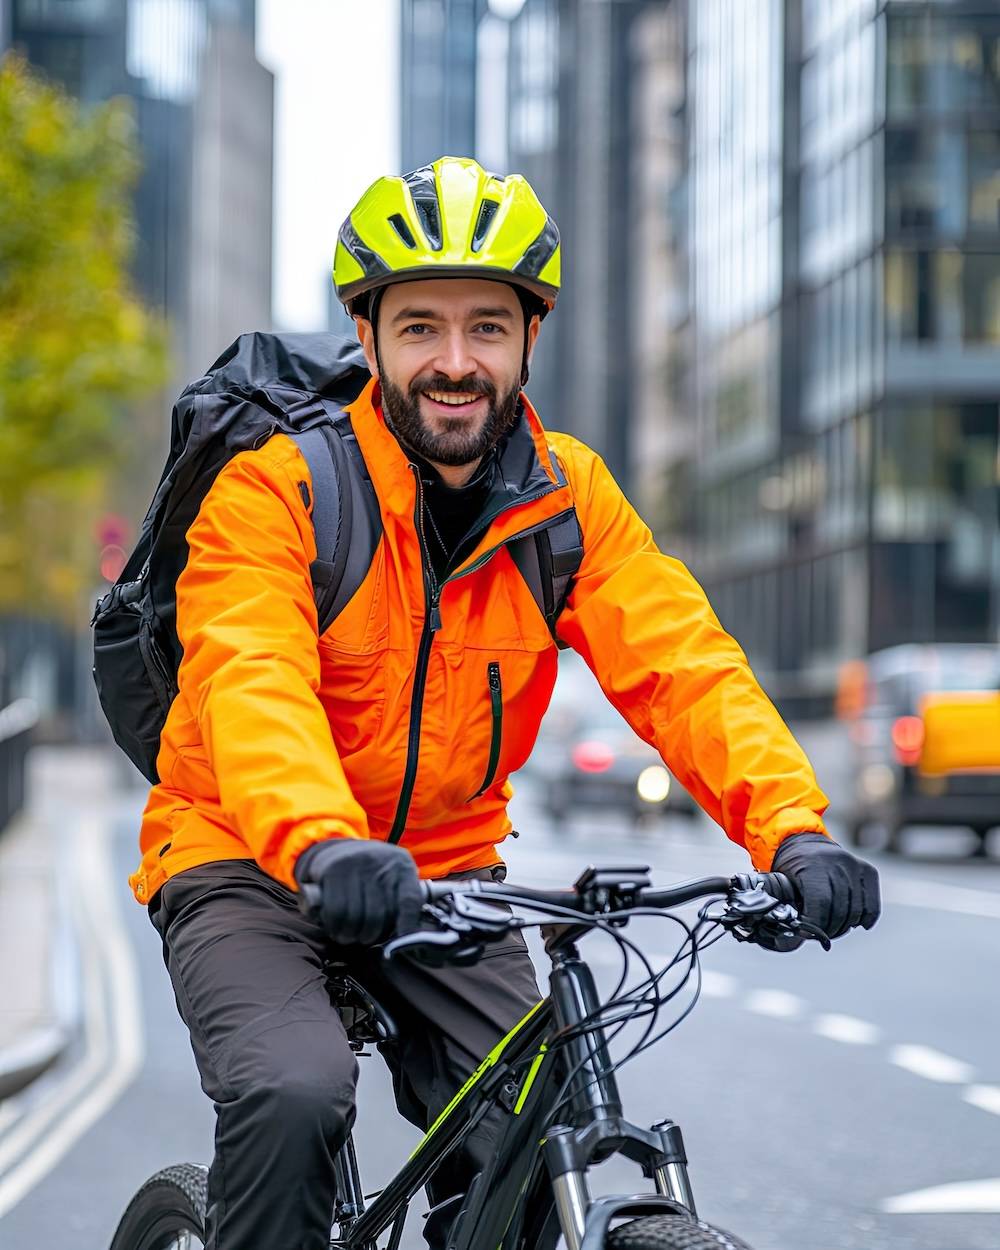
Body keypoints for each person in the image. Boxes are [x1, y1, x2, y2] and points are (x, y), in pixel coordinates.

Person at [133, 156, 880, 1250]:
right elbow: (253, 680)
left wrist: (794, 825)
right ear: (370, 333)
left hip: (444, 876)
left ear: (529, 338)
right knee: (293, 1093)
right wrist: (321, 842)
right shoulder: (279, 488)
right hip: (246, 855)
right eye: (421, 325)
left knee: (538, 1132)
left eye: (486, 326)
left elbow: (682, 662)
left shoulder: (567, 498)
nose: (454, 361)